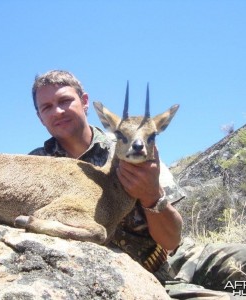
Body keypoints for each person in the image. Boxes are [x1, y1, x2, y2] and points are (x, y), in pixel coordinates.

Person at [29, 70, 244, 299]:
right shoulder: (37, 167)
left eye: (65, 100)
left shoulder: (133, 145)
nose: (58, 111)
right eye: (47, 107)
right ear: (40, 117)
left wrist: (152, 195)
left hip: (181, 257)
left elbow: (172, 240)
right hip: (136, 277)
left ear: (84, 102)